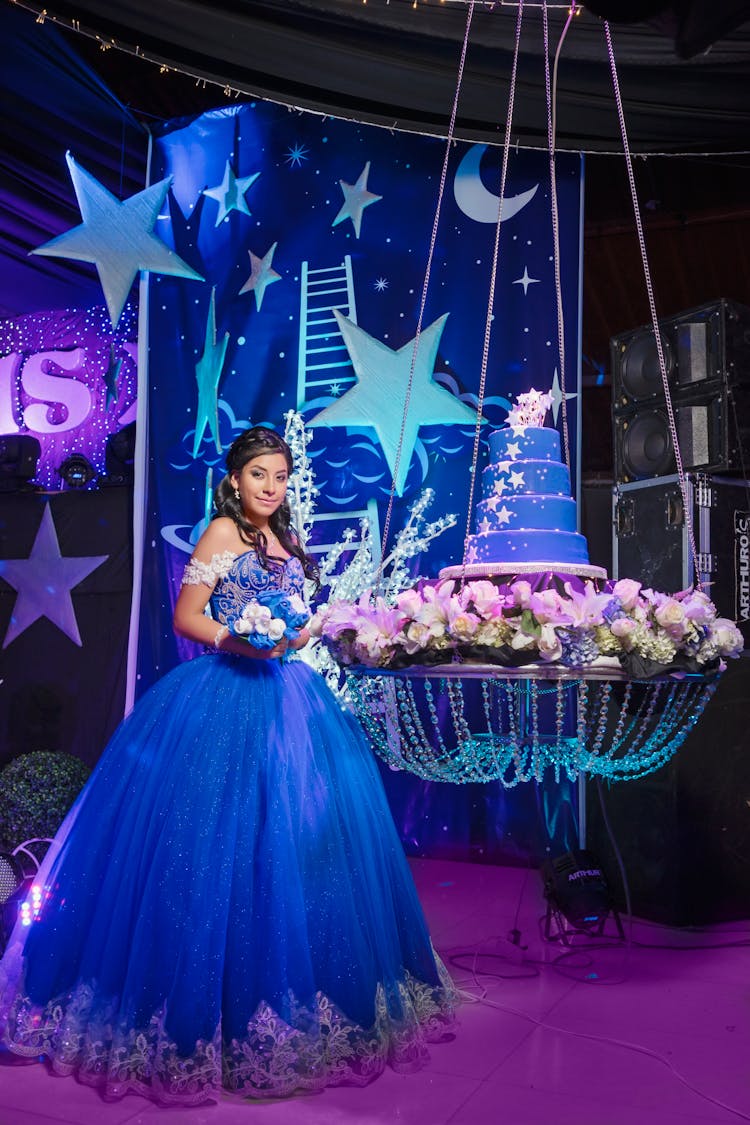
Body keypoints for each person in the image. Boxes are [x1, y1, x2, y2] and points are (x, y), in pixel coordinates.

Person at [0, 426, 456, 1105]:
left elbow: (295, 623)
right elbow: (188, 616)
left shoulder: (288, 543)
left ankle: (292, 998)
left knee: (297, 848)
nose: (270, 487)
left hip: (291, 701)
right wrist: (236, 636)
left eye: (279, 476)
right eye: (258, 475)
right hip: (222, 698)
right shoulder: (221, 535)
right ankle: (196, 1009)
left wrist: (304, 630)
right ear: (234, 480)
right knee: (210, 848)